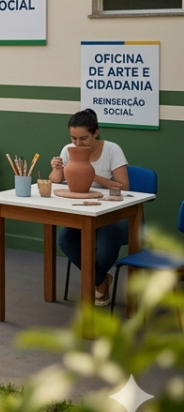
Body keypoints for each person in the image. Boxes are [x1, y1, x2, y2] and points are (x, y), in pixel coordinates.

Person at [48, 108, 130, 306]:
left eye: (83, 138)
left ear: (95, 133)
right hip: (83, 211)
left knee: (102, 253)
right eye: (73, 138)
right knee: (66, 240)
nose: (77, 143)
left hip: (112, 214)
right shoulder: (68, 150)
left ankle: (98, 280)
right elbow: (56, 182)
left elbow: (124, 186)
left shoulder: (112, 150)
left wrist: (91, 176)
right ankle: (101, 280)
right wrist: (56, 169)